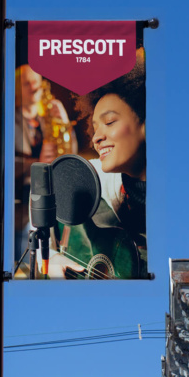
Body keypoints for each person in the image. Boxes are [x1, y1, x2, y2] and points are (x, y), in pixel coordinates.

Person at [46, 56, 147, 279]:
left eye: (109, 122)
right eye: (94, 127)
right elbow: (43, 194)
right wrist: (51, 259)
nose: (96, 138)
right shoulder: (91, 177)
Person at [14, 64, 76, 267]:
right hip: (21, 208)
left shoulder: (47, 119)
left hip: (50, 202)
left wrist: (64, 122)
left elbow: (70, 153)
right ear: (17, 87)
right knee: (25, 265)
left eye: (36, 82)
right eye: (27, 83)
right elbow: (3, 163)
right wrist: (37, 162)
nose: (34, 88)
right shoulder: (8, 119)